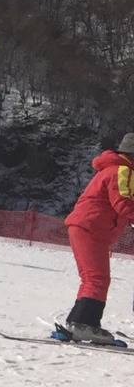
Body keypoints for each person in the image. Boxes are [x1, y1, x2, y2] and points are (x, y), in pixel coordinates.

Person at [60, 134, 134, 344]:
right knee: (97, 279)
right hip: (91, 228)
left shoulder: (114, 169)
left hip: (88, 228)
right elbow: (123, 203)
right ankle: (84, 324)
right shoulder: (122, 170)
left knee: (93, 278)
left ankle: (79, 322)